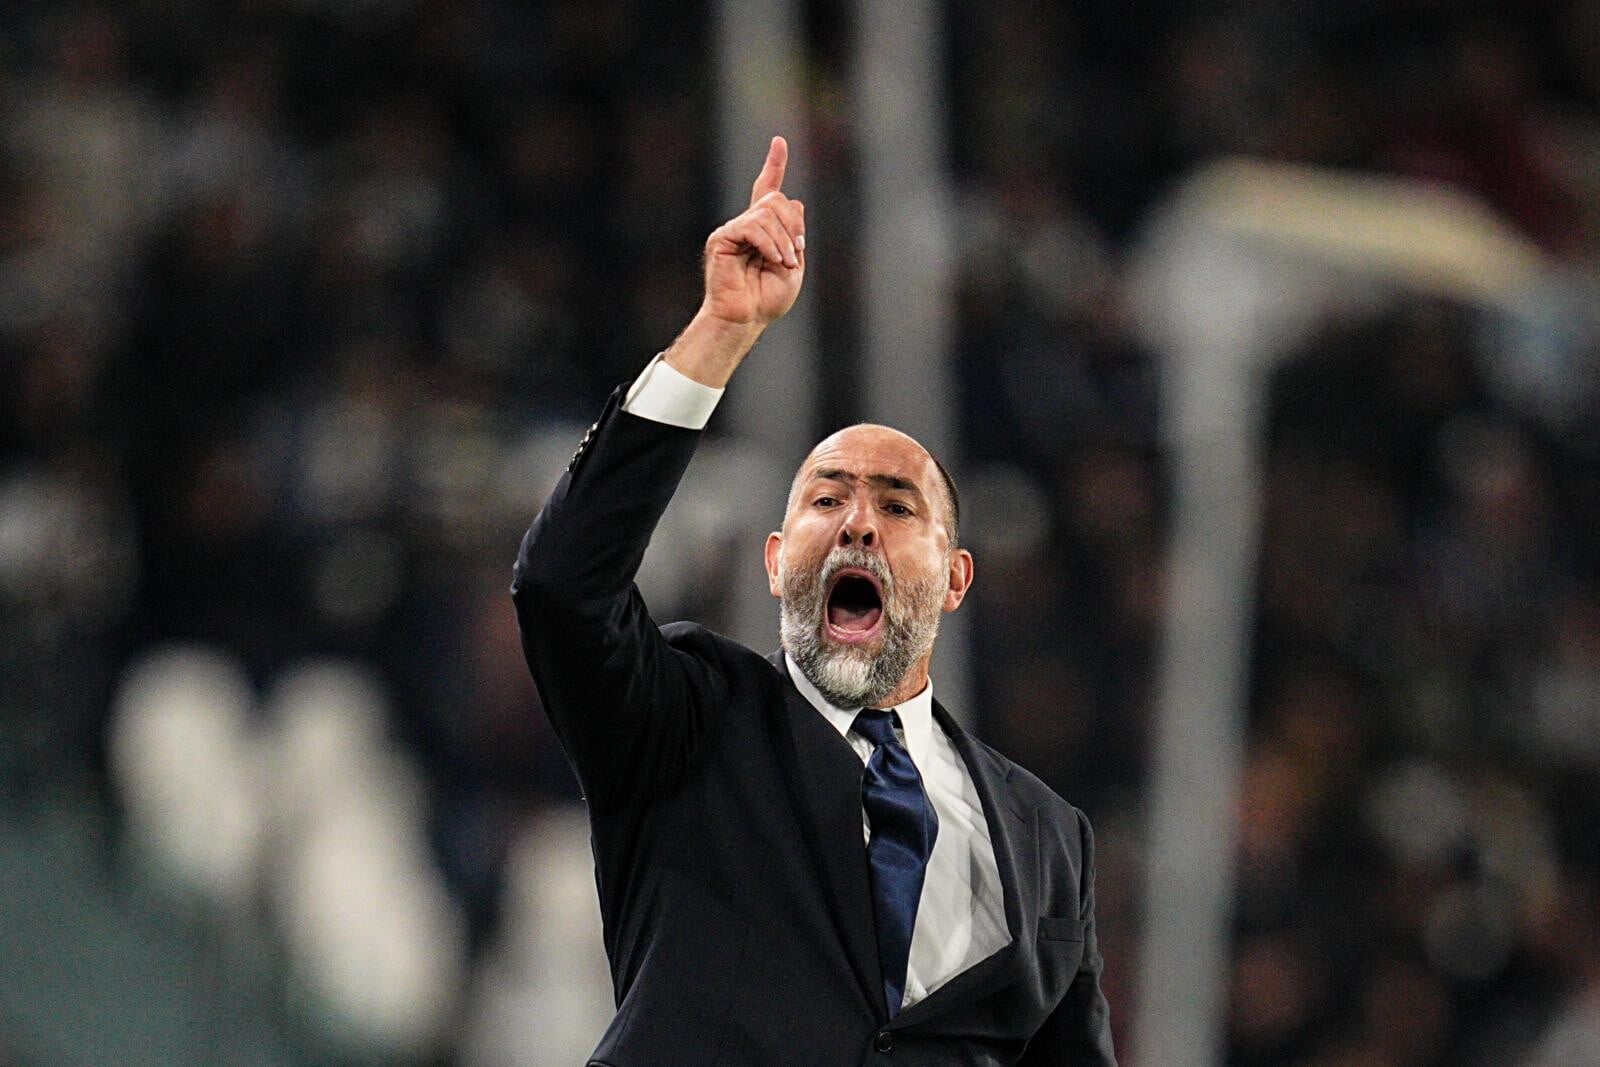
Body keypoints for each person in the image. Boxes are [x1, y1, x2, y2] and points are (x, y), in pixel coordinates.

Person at [512, 135, 1115, 1065]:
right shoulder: (685, 720)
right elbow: (561, 584)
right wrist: (722, 329)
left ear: (957, 578)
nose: (858, 524)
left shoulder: (1050, 835)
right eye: (826, 500)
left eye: (897, 505)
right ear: (773, 561)